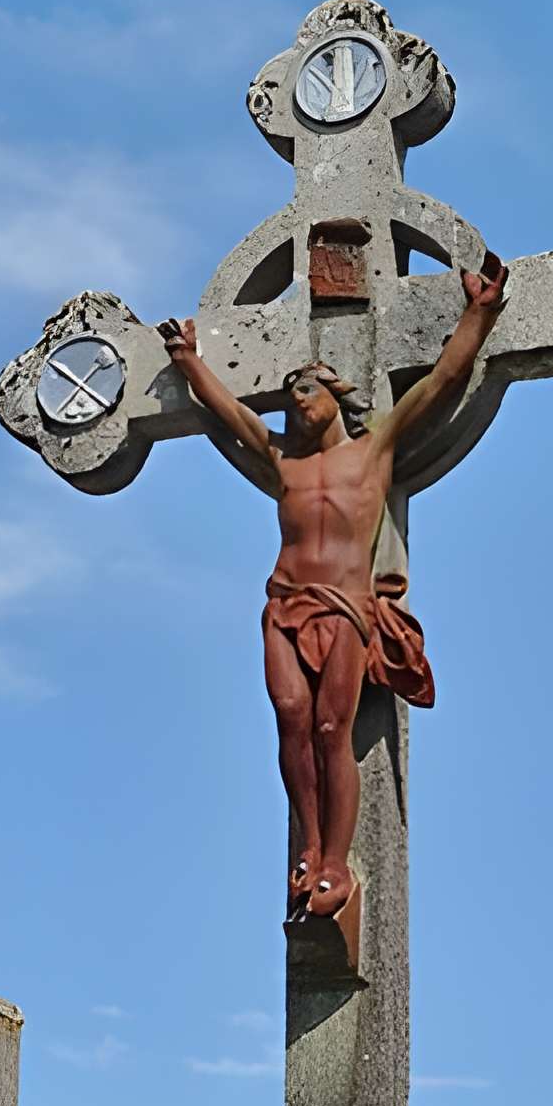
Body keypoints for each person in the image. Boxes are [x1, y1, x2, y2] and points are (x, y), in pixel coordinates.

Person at [159, 251, 507, 918]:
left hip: (345, 607)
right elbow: (228, 410)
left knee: (328, 726)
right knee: (290, 720)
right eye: (290, 397)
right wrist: (187, 359)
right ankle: (308, 847)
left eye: (306, 392)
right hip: (285, 603)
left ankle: (336, 859)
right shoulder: (279, 460)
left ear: (334, 394)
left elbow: (440, 382)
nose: (295, 403)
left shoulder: (372, 451)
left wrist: (480, 313)